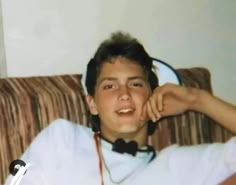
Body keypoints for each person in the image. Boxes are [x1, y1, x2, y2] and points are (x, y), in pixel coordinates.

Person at [4, 32, 236, 185]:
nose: (124, 94)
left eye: (135, 84)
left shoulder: (181, 164)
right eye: (110, 86)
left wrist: (198, 100)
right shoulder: (61, 138)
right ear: (92, 103)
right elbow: (15, 180)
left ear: (153, 97)